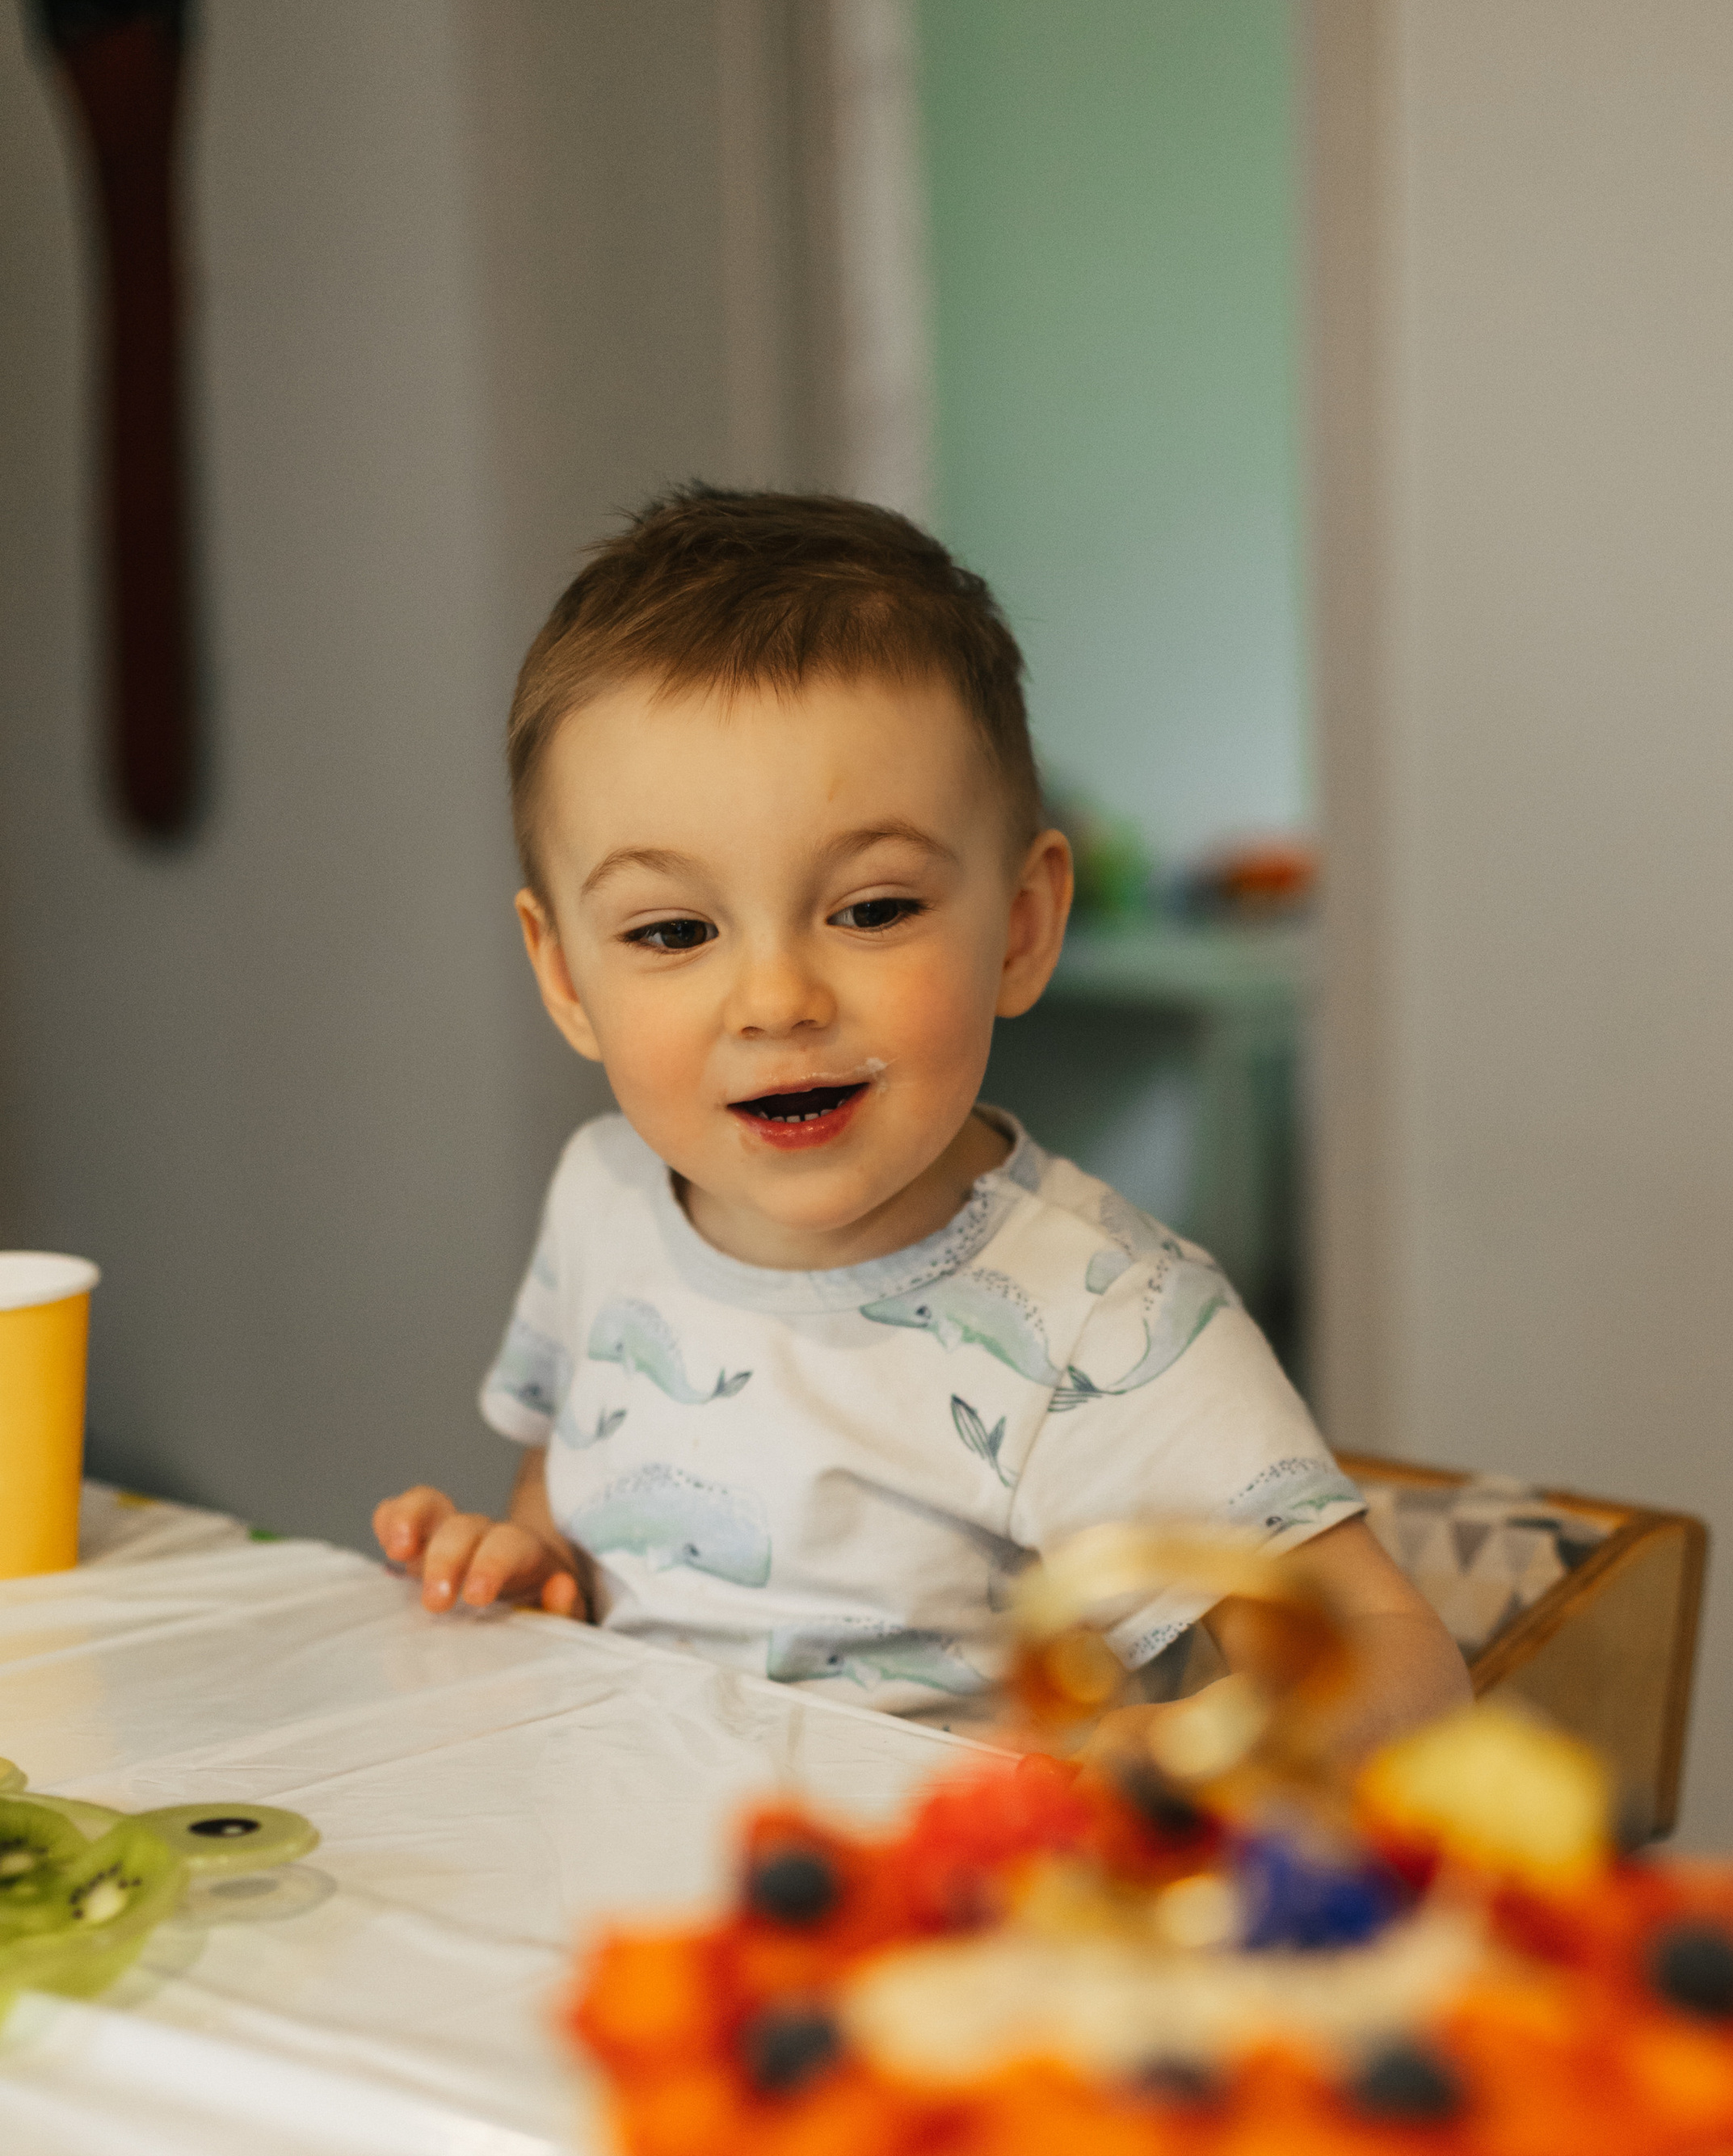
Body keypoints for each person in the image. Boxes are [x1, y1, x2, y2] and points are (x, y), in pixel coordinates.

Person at [373, 490, 1467, 1755]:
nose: (777, 999)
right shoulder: (603, 1192)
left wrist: (1148, 1765)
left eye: (873, 910)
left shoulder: (1105, 1321)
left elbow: (1402, 1665)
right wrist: (532, 1565)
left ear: (1021, 927)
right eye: (673, 931)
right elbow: (570, 1497)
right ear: (566, 974)